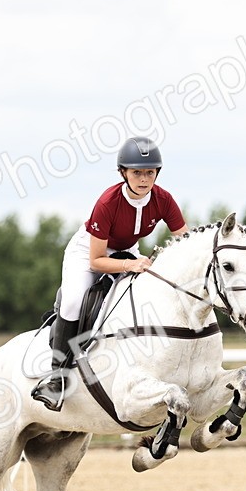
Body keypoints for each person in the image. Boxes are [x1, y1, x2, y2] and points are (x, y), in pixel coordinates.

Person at [31, 136, 189, 411]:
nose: (143, 179)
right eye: (136, 172)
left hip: (127, 250)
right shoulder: (108, 202)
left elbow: (185, 242)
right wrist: (130, 265)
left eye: (149, 172)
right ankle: (57, 377)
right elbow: (96, 260)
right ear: (123, 173)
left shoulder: (163, 199)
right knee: (73, 301)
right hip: (88, 254)